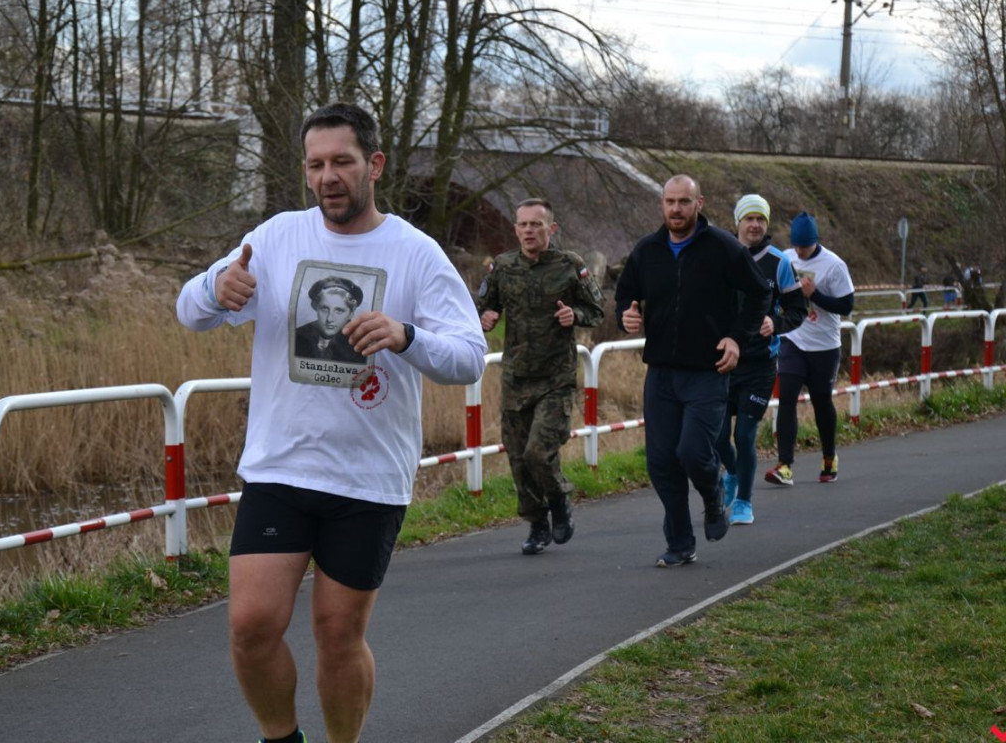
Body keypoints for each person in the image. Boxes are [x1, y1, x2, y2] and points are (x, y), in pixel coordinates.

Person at [176, 102, 486, 743]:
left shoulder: (416, 253)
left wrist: (406, 336)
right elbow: (191, 309)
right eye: (315, 165)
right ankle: (281, 738)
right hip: (280, 466)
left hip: (367, 478)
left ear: (373, 165)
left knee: (338, 634)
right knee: (251, 626)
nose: (327, 177)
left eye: (341, 162)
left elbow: (468, 357)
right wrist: (215, 292)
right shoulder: (278, 237)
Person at [614, 175, 770, 568]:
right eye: (669, 202)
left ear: (699, 203)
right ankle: (681, 542)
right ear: (661, 204)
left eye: (684, 202)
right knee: (661, 461)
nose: (676, 209)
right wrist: (627, 315)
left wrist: (737, 338)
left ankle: (714, 491)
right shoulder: (647, 251)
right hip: (662, 373)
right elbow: (625, 295)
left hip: (708, 370)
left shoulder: (722, 247)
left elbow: (759, 293)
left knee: (693, 451)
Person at [476, 198, 604, 555]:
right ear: (515, 229)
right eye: (523, 225)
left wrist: (573, 316)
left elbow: (596, 310)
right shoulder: (502, 266)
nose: (529, 231)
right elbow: (483, 304)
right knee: (518, 459)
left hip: (555, 378)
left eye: (536, 225)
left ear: (552, 229)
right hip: (516, 377)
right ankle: (536, 523)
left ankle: (560, 501)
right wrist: (485, 316)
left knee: (538, 452)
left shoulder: (570, 265)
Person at [715, 195, 807, 526]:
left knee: (745, 435)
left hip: (759, 364)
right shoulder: (721, 255)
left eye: (761, 220)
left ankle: (743, 502)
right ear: (737, 222)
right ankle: (735, 472)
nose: (755, 225)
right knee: (717, 434)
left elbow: (799, 310)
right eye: (749, 219)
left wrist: (776, 323)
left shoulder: (779, 262)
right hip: (722, 361)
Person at [764, 212, 854, 487]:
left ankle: (829, 457)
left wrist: (813, 295)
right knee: (786, 399)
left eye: (806, 247)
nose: (801, 252)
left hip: (824, 346)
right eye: (797, 246)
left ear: (815, 242)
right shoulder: (786, 259)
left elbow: (846, 307)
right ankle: (785, 465)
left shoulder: (834, 265)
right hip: (794, 339)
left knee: (821, 402)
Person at [294, 277, 365, 363]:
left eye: (339, 311)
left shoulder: (361, 341)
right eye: (324, 309)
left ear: (351, 313)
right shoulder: (298, 336)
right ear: (316, 307)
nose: (329, 319)